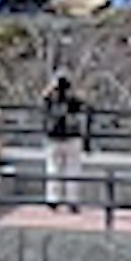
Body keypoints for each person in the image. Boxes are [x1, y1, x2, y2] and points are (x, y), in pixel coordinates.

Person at [41, 71, 82, 207]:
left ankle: (53, 199)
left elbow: (43, 98)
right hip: (72, 136)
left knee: (53, 169)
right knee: (73, 170)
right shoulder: (73, 100)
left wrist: (52, 86)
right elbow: (84, 104)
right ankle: (72, 200)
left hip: (53, 137)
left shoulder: (51, 100)